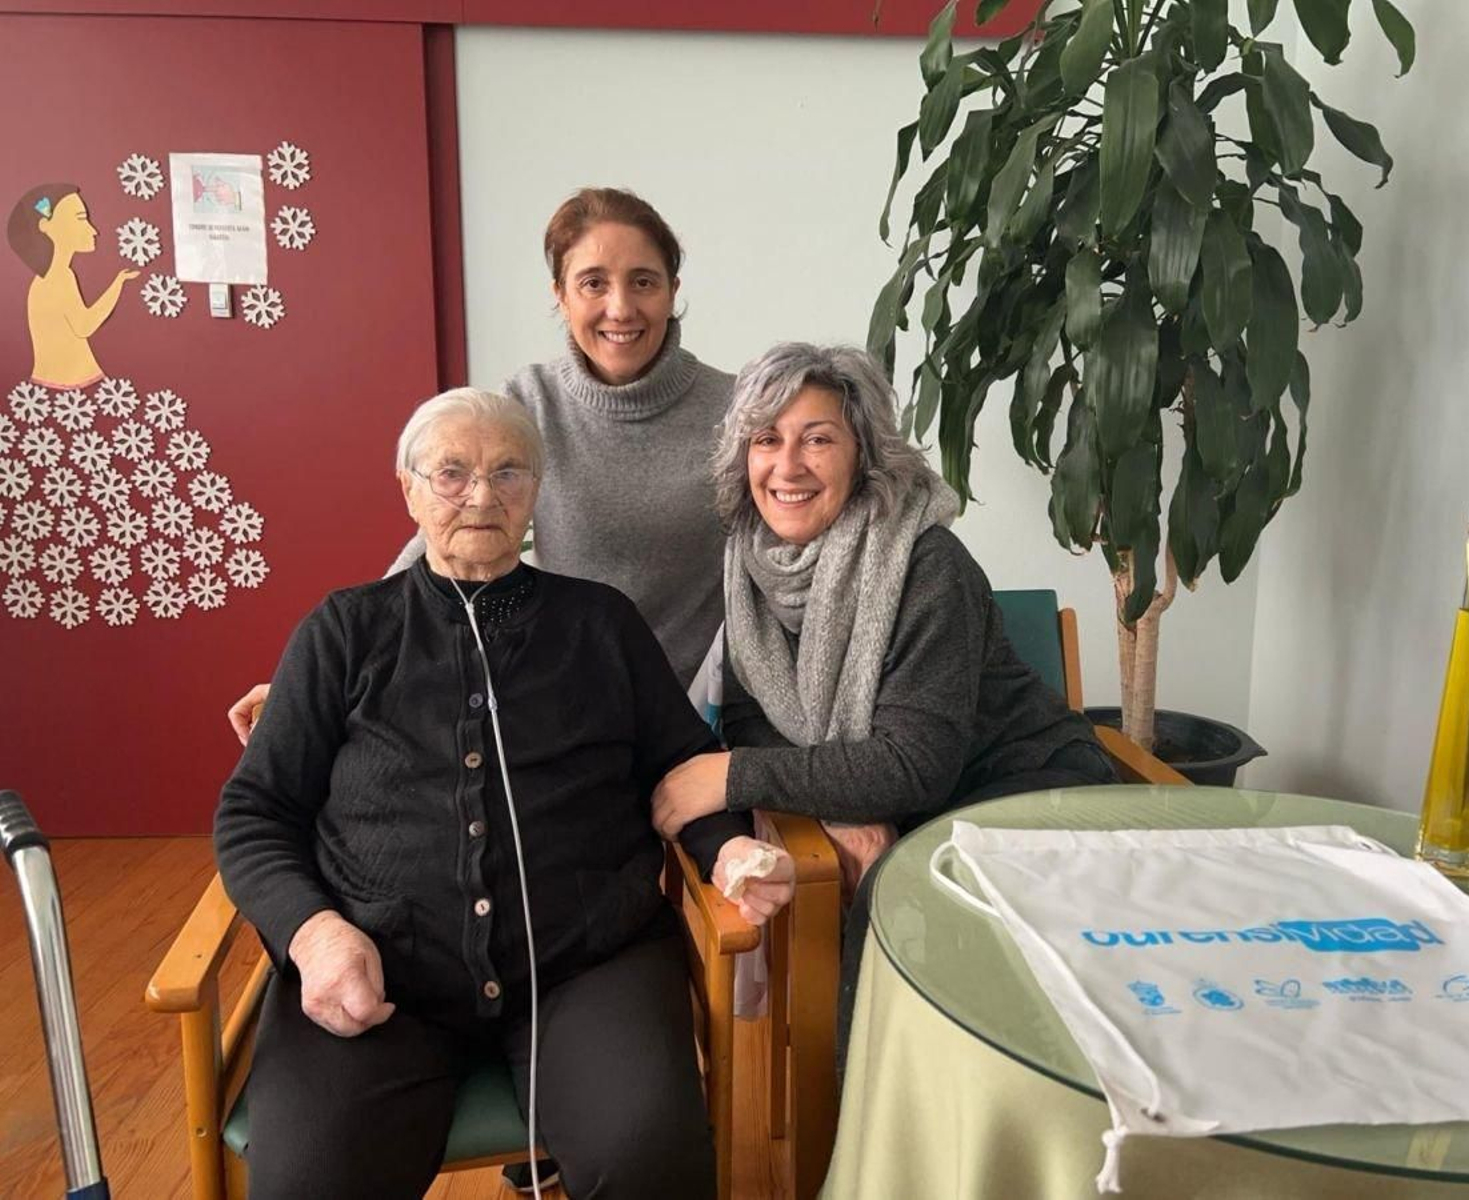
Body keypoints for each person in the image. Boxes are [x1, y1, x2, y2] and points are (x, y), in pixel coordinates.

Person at [215, 387, 794, 1199]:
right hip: (382, 969)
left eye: (508, 472)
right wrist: (314, 936)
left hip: (589, 965)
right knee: (308, 1177)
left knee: (648, 1161)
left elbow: (680, 762)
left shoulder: (601, 624)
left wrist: (729, 849)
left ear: (537, 491)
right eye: (450, 473)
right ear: (408, 489)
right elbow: (254, 812)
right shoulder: (344, 632)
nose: (481, 496)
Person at [648, 342, 1118, 1066]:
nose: (788, 466)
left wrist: (730, 776)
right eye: (767, 440)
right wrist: (845, 806)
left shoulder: (927, 563)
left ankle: (898, 1142)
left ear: (864, 453)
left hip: (1027, 792)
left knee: (901, 898)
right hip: (920, 798)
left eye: (818, 439)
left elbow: (913, 767)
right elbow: (752, 715)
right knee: (864, 882)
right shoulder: (752, 562)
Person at [227, 187, 732, 741]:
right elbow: (444, 532)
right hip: (561, 698)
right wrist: (310, 682)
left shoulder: (736, 411)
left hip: (694, 706)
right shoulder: (527, 401)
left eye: (643, 281)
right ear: (561, 295)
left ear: (672, 291)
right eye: (593, 283)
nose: (621, 308)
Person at [7, 183, 140, 389]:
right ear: (46, 227)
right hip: (68, 383)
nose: (93, 230)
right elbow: (84, 325)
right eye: (81, 219)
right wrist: (118, 284)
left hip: (67, 382)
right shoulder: (58, 278)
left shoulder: (53, 277)